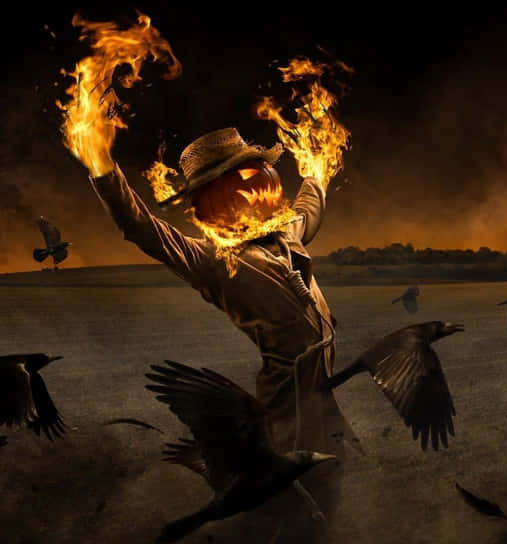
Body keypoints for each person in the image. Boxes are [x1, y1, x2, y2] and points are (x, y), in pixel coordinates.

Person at [88, 127, 353, 540]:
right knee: (276, 504)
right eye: (240, 180)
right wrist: (103, 169)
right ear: (206, 202)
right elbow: (142, 228)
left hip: (323, 400)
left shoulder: (287, 235)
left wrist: (318, 167)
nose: (257, 187)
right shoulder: (213, 261)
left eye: (261, 171)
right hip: (286, 406)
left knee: (329, 495)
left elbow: (309, 203)